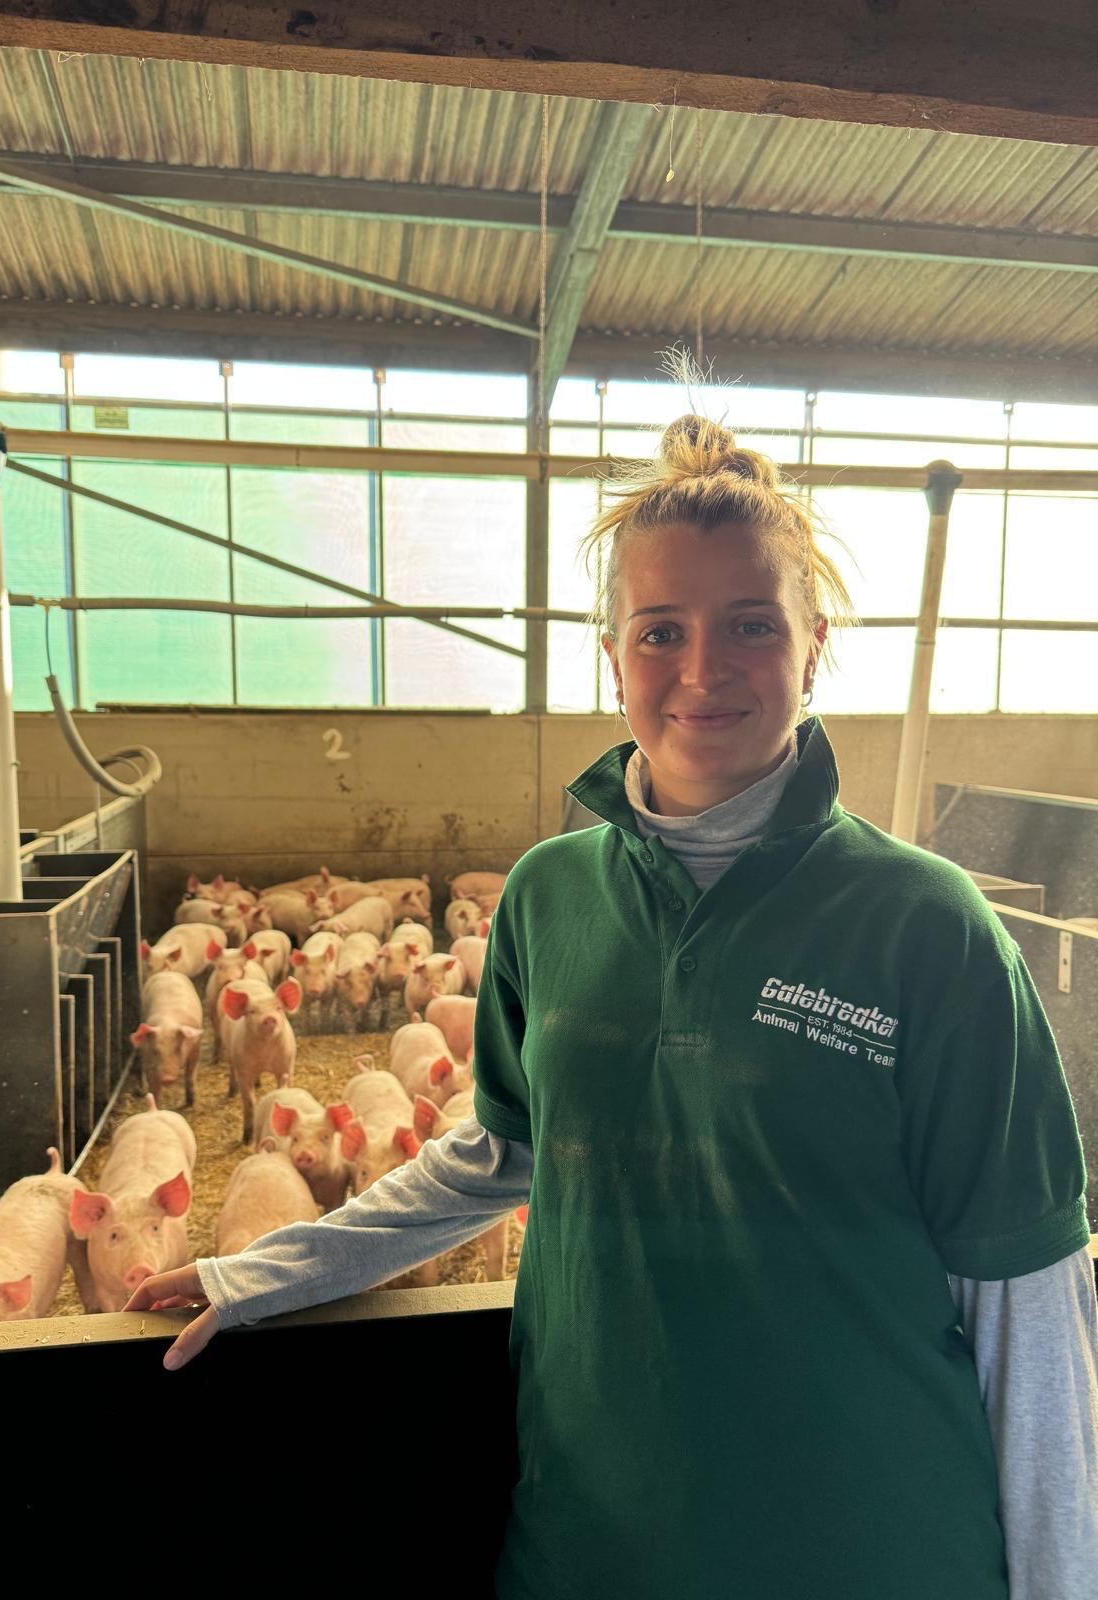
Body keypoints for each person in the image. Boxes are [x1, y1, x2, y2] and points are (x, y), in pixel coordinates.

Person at [127, 414, 1098, 1600]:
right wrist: (269, 1268)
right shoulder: (547, 897)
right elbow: (498, 1151)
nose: (702, 668)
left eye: (752, 625)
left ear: (816, 646)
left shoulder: (930, 927)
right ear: (613, 654)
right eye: (660, 631)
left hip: (870, 1544)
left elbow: (1028, 1298)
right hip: (594, 1542)